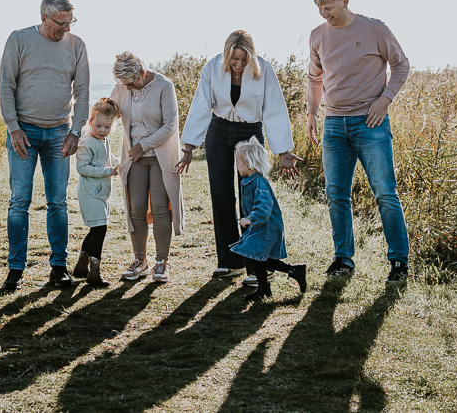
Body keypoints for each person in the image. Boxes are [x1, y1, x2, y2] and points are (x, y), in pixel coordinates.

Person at [306, 0, 411, 287]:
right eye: (320, 9)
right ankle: (343, 259)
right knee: (336, 194)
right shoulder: (317, 36)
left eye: (329, 8)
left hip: (371, 123)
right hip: (334, 124)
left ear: (345, 1)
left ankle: (398, 261)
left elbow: (401, 66)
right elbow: (314, 78)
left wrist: (385, 99)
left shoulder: (374, 29)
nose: (325, 15)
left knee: (385, 192)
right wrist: (312, 113)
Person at [176, 30, 300, 285]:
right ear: (227, 54)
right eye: (234, 59)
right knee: (221, 196)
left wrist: (283, 151)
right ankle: (229, 261)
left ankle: (256, 267)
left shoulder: (264, 70)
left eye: (244, 59)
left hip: (249, 132)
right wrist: (188, 146)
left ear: (251, 56)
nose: (239, 64)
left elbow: (275, 108)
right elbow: (201, 104)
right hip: (219, 131)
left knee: (252, 198)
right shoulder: (213, 68)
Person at [0, 0, 90, 291]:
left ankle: (58, 267)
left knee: (58, 203)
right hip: (24, 131)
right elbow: (7, 86)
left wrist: (76, 130)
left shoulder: (76, 45)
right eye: (61, 23)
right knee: (19, 201)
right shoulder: (18, 40)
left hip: (59, 133)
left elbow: (83, 92)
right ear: (43, 18)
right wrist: (13, 128)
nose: (66, 29)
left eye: (70, 22)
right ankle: (15, 269)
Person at [109, 51, 183, 283]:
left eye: (132, 83)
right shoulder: (124, 87)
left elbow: (171, 125)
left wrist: (144, 145)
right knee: (136, 208)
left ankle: (162, 262)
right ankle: (140, 261)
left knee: (161, 207)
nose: (129, 88)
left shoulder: (163, 85)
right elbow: (109, 109)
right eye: (125, 85)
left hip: (160, 156)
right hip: (134, 158)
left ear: (142, 73)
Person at [230, 137, 307, 302]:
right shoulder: (248, 181)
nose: (236, 165)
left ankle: (293, 272)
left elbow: (264, 208)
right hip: (260, 226)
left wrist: (250, 219)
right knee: (258, 257)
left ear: (248, 165)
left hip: (266, 226)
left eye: (238, 162)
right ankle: (265, 289)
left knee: (257, 256)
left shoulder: (259, 183)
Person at [71, 98, 121, 287]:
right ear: (90, 121)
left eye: (107, 127)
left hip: (100, 192)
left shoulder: (104, 140)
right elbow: (82, 167)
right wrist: (107, 171)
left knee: (96, 229)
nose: (102, 130)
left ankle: (81, 266)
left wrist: (116, 162)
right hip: (89, 192)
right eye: (98, 125)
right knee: (100, 228)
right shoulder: (86, 142)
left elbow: (108, 156)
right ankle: (94, 272)